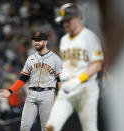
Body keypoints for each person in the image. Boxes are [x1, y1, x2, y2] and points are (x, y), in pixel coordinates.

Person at [46, 3, 104, 131]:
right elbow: (65, 66)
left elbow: (97, 64)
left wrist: (78, 80)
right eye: (63, 21)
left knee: (89, 128)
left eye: (68, 20)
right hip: (67, 88)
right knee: (51, 126)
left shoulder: (89, 37)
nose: (65, 24)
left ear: (78, 18)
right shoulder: (64, 40)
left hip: (86, 89)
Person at [0, 32, 62, 131]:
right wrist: (10, 91)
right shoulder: (30, 59)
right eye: (35, 40)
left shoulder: (55, 59)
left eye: (39, 40)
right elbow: (22, 79)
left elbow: (60, 80)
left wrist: (60, 97)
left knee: (46, 127)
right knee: (24, 127)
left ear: (45, 42)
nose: (36, 42)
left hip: (48, 93)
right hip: (31, 93)